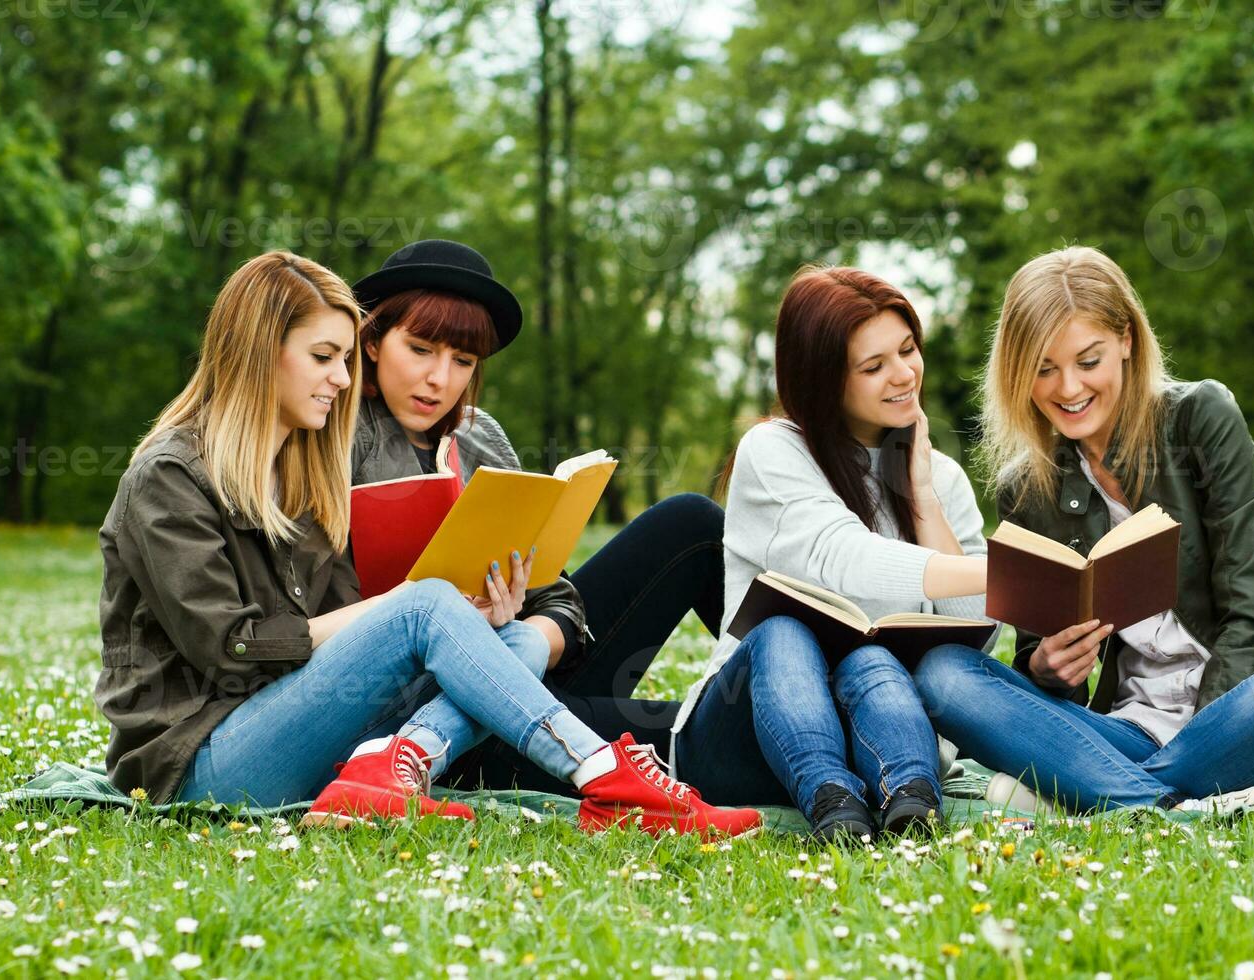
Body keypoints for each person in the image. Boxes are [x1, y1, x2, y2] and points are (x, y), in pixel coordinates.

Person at [94, 250, 759, 837]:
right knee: (429, 606)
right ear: (258, 353)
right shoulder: (172, 475)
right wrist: (409, 609)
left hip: (327, 722)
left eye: (343, 360)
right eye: (326, 359)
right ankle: (608, 779)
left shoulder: (298, 463)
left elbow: (548, 599)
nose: (343, 380)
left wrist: (481, 617)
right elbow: (234, 647)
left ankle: (402, 768)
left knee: (526, 624)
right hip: (201, 762)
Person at [913, 245, 1254, 817]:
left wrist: (1205, 741)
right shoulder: (1028, 485)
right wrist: (1045, 669)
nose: (1067, 388)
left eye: (1088, 360)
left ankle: (1099, 797)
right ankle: (1178, 809)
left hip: (1252, 716)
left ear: (1127, 340)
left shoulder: (1201, 417)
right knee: (944, 673)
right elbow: (1047, 676)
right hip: (1131, 732)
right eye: (1043, 368)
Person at [346, 239, 725, 795]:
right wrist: (464, 632)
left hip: (526, 667)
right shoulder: (335, 436)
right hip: (431, 710)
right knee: (711, 735)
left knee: (690, 523)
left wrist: (518, 633)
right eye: (422, 349)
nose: (440, 380)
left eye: (464, 361)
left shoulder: (478, 436)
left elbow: (558, 594)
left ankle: (791, 681)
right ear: (375, 341)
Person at [669, 266, 996, 843]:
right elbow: (844, 558)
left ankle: (911, 798)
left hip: (877, 729)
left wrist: (920, 494)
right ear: (825, 380)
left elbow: (976, 629)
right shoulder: (773, 452)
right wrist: (997, 570)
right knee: (782, 633)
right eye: (873, 367)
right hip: (744, 733)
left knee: (870, 658)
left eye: (907, 349)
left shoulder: (939, 476)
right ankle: (831, 799)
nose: (903, 375)